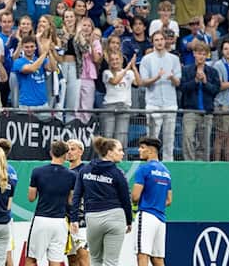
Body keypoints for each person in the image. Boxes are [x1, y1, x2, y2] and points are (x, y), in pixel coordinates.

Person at [70, 137, 132, 266]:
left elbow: (76, 196)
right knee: (111, 262)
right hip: (115, 217)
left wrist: (74, 219)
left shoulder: (85, 170)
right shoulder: (118, 173)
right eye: (120, 150)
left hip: (92, 218)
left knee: (95, 259)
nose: (123, 153)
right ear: (109, 152)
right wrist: (129, 220)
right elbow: (126, 199)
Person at [25, 140, 75, 266]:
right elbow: (71, 201)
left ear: (51, 153)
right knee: (55, 261)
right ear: (66, 154)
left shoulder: (37, 172)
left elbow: (31, 198)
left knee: (31, 259)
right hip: (60, 222)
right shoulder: (72, 175)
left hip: (41, 219)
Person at [138, 31, 182, 161]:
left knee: (169, 138)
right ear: (153, 42)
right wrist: (157, 77)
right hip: (153, 103)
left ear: (165, 41)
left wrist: (171, 77)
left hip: (170, 104)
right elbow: (143, 82)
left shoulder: (174, 59)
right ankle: (150, 161)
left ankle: (169, 163)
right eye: (156, 40)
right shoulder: (146, 59)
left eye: (161, 39)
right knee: (151, 138)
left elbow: (178, 82)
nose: (159, 42)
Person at [131, 137, 172, 266]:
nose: (139, 150)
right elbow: (169, 200)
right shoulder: (166, 171)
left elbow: (135, 197)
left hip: (146, 215)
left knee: (142, 254)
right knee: (158, 259)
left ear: (150, 151)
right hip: (161, 218)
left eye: (142, 147)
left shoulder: (144, 169)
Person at [179, 41, 220, 161]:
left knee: (204, 141)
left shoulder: (212, 72)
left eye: (203, 54)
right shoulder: (186, 70)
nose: (201, 56)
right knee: (188, 138)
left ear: (207, 55)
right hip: (190, 110)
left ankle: (202, 163)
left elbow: (215, 90)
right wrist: (196, 81)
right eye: (198, 53)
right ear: (194, 54)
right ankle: (189, 163)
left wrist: (206, 82)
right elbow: (183, 88)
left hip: (207, 111)